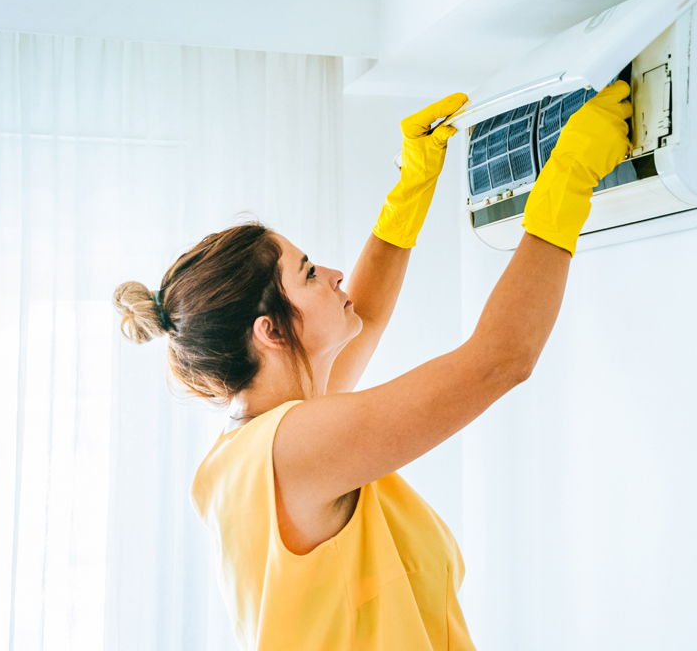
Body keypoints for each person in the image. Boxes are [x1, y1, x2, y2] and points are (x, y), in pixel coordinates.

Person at [112, 81, 633, 650]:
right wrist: (566, 184)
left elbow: (369, 312)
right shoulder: (293, 449)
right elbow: (500, 359)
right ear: (271, 332)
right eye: (309, 272)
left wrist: (412, 187)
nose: (334, 275)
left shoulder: (266, 439)